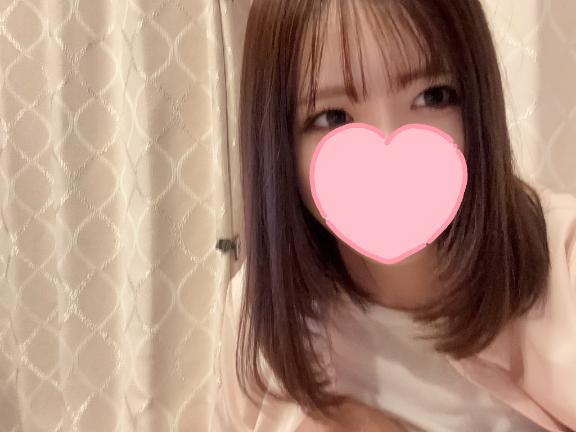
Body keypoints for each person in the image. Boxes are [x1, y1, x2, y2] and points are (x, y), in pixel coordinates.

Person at [211, 0, 576, 431]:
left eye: (432, 96)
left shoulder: (564, 262)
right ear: (279, 148)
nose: (390, 141)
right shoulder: (264, 314)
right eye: (333, 117)